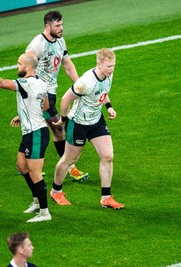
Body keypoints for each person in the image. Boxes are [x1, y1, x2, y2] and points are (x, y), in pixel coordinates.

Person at [0, 53, 51, 222]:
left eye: (19, 64)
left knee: (35, 172)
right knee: (21, 166)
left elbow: (1, 83)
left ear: (28, 67)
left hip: (35, 133)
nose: (17, 66)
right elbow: (46, 105)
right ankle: (36, 202)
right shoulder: (41, 83)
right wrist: (23, 115)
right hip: (32, 131)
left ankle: (44, 212)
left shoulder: (25, 83)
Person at [52, 48, 124, 209]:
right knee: (69, 159)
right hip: (78, 124)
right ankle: (56, 191)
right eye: (109, 66)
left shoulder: (108, 75)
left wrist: (109, 106)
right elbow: (65, 99)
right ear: (99, 65)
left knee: (108, 156)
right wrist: (63, 118)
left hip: (96, 121)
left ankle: (106, 197)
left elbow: (103, 91)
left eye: (113, 66)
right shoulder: (85, 82)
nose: (112, 69)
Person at [25, 11, 89, 196]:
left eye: (62, 25)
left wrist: (79, 86)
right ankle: (70, 168)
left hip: (50, 93)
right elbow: (23, 63)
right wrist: (32, 88)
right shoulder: (38, 44)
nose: (61, 28)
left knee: (40, 129)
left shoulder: (60, 41)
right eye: (57, 26)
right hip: (40, 94)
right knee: (57, 129)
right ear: (47, 26)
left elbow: (67, 64)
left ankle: (29, 165)